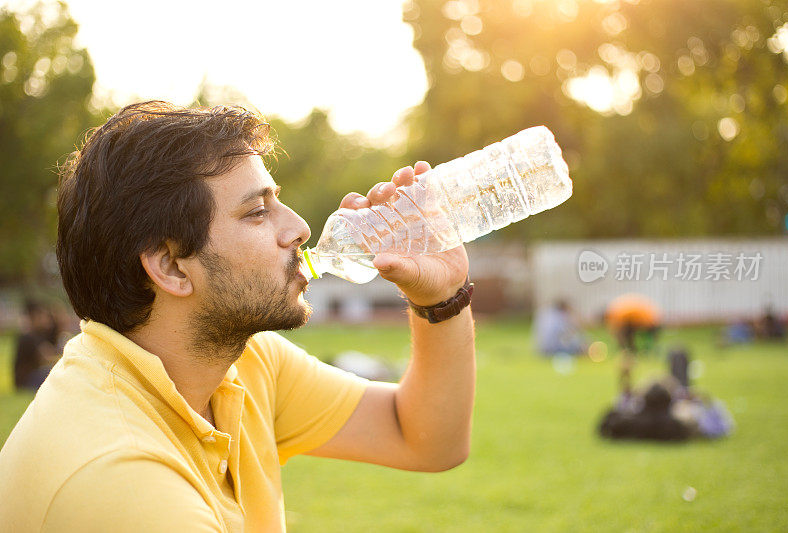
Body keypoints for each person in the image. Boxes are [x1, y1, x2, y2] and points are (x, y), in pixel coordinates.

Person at [0, 102, 476, 532]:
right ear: (170, 266)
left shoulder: (240, 362)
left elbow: (425, 439)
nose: (299, 228)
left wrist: (442, 298)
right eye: (256, 212)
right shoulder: (122, 477)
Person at [604, 293, 661, 394]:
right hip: (646, 317)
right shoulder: (617, 310)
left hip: (647, 319)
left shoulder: (615, 314)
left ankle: (633, 353)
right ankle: (635, 352)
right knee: (632, 337)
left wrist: (621, 346)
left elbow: (617, 332)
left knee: (635, 338)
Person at [13, 300, 59, 391]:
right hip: (26, 380)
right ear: (34, 317)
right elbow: (47, 358)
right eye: (42, 316)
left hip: (32, 376)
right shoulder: (28, 337)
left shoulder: (38, 335)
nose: (46, 319)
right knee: (55, 374)